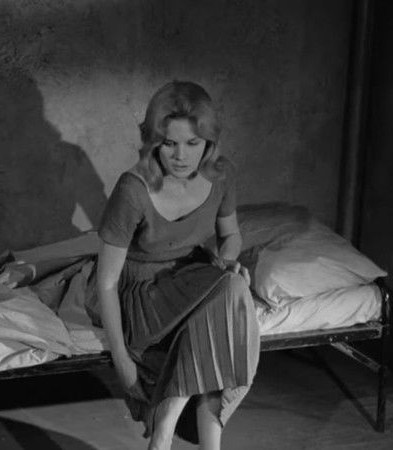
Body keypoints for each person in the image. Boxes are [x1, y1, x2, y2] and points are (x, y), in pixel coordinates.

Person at [95, 81, 260, 450]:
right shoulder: (133, 188)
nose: (181, 156)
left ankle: (168, 434)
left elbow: (231, 236)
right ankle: (175, 434)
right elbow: (106, 283)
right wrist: (121, 359)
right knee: (226, 296)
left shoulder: (221, 175)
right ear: (155, 141)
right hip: (144, 294)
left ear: (209, 142)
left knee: (229, 290)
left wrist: (225, 264)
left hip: (191, 276)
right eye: (169, 143)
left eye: (192, 143)